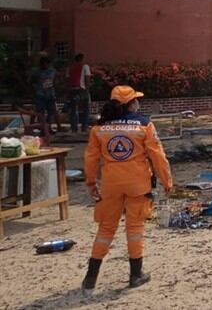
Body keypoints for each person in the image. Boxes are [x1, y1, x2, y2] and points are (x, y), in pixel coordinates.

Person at [81, 85, 173, 292]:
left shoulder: (98, 128)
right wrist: (167, 181)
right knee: (135, 229)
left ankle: (90, 277)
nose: (138, 103)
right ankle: (135, 275)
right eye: (136, 100)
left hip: (110, 184)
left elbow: (91, 159)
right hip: (138, 184)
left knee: (105, 228)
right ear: (131, 104)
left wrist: (91, 183)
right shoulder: (144, 124)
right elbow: (158, 156)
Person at [30, 56, 61, 133]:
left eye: (47, 64)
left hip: (50, 95)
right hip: (40, 95)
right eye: (44, 64)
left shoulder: (52, 71)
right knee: (41, 112)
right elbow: (31, 82)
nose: (46, 66)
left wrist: (56, 88)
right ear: (41, 64)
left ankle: (48, 127)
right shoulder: (36, 72)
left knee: (51, 112)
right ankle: (43, 129)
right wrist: (34, 90)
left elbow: (56, 80)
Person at [66, 53, 92, 132]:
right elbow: (87, 79)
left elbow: (67, 80)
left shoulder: (69, 67)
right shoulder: (85, 66)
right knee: (85, 108)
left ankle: (74, 127)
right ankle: (84, 126)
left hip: (72, 90)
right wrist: (87, 91)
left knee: (73, 109)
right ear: (81, 59)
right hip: (81, 89)